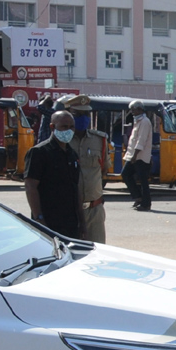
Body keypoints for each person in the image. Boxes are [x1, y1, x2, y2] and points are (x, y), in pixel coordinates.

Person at [24, 110, 82, 237]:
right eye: (64, 127)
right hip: (48, 222)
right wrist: (39, 219)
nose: (69, 130)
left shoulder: (72, 154)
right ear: (52, 127)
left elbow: (75, 188)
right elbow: (30, 187)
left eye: (71, 126)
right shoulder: (39, 152)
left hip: (70, 223)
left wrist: (82, 223)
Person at [61, 94, 108, 244]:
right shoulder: (61, 140)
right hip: (68, 209)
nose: (83, 118)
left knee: (97, 252)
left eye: (86, 114)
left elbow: (103, 170)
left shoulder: (99, 140)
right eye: (78, 114)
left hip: (94, 208)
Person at [122, 102, 153, 211]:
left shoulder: (144, 122)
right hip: (133, 155)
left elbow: (141, 140)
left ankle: (146, 204)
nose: (132, 112)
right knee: (125, 174)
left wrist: (134, 156)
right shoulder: (138, 121)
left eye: (133, 110)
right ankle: (138, 197)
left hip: (140, 156)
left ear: (140, 109)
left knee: (143, 181)